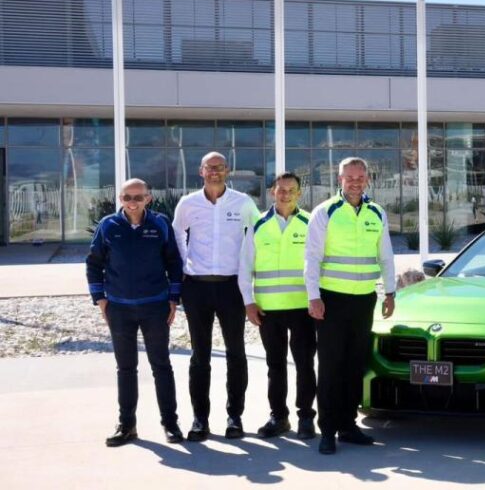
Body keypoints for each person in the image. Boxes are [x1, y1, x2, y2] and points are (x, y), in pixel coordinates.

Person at [304, 157, 396, 455]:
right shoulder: (325, 212)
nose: (355, 181)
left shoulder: (376, 213)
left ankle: (348, 425)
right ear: (339, 179)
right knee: (331, 366)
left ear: (367, 179)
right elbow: (312, 258)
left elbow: (386, 256)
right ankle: (327, 430)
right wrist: (313, 296)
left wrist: (390, 292)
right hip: (331, 301)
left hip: (364, 300)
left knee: (355, 365)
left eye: (360, 177)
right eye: (349, 177)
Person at [86, 178, 184, 446]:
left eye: (138, 197)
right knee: (126, 368)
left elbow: (174, 262)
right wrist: (101, 300)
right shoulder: (108, 226)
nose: (132, 202)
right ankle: (127, 425)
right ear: (120, 199)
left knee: (161, 365)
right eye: (127, 197)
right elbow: (94, 264)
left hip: (155, 307)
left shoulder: (160, 224)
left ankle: (171, 423)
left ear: (148, 198)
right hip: (119, 309)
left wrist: (174, 298)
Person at [172, 151, 260, 441]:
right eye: (210, 168)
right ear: (201, 171)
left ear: (227, 171)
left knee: (236, 354)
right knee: (200, 356)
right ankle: (200, 420)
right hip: (197, 288)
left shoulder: (243, 203)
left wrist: (249, 282)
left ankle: (235, 417)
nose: (215, 172)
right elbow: (176, 234)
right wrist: (185, 268)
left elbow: (255, 239)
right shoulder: (188, 203)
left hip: (231, 287)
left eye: (220, 168)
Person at [239, 172, 317, 440]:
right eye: (280, 189)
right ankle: (279, 417)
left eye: (291, 190)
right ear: (272, 192)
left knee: (305, 364)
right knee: (275, 365)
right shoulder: (258, 224)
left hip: (302, 309)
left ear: (299, 194)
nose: (285, 194)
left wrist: (316, 299)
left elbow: (319, 263)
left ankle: (306, 417)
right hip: (267, 310)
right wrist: (249, 302)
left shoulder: (310, 223)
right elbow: (245, 267)